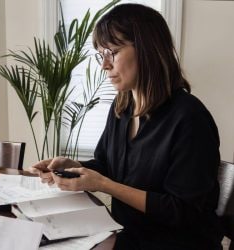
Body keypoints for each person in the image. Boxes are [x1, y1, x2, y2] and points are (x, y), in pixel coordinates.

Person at [30, 3, 224, 250]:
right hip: (128, 236)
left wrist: (103, 185)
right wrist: (72, 166)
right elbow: (106, 165)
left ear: (146, 49)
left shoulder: (190, 118)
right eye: (101, 55)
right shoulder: (122, 107)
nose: (104, 65)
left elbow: (182, 211)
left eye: (112, 52)